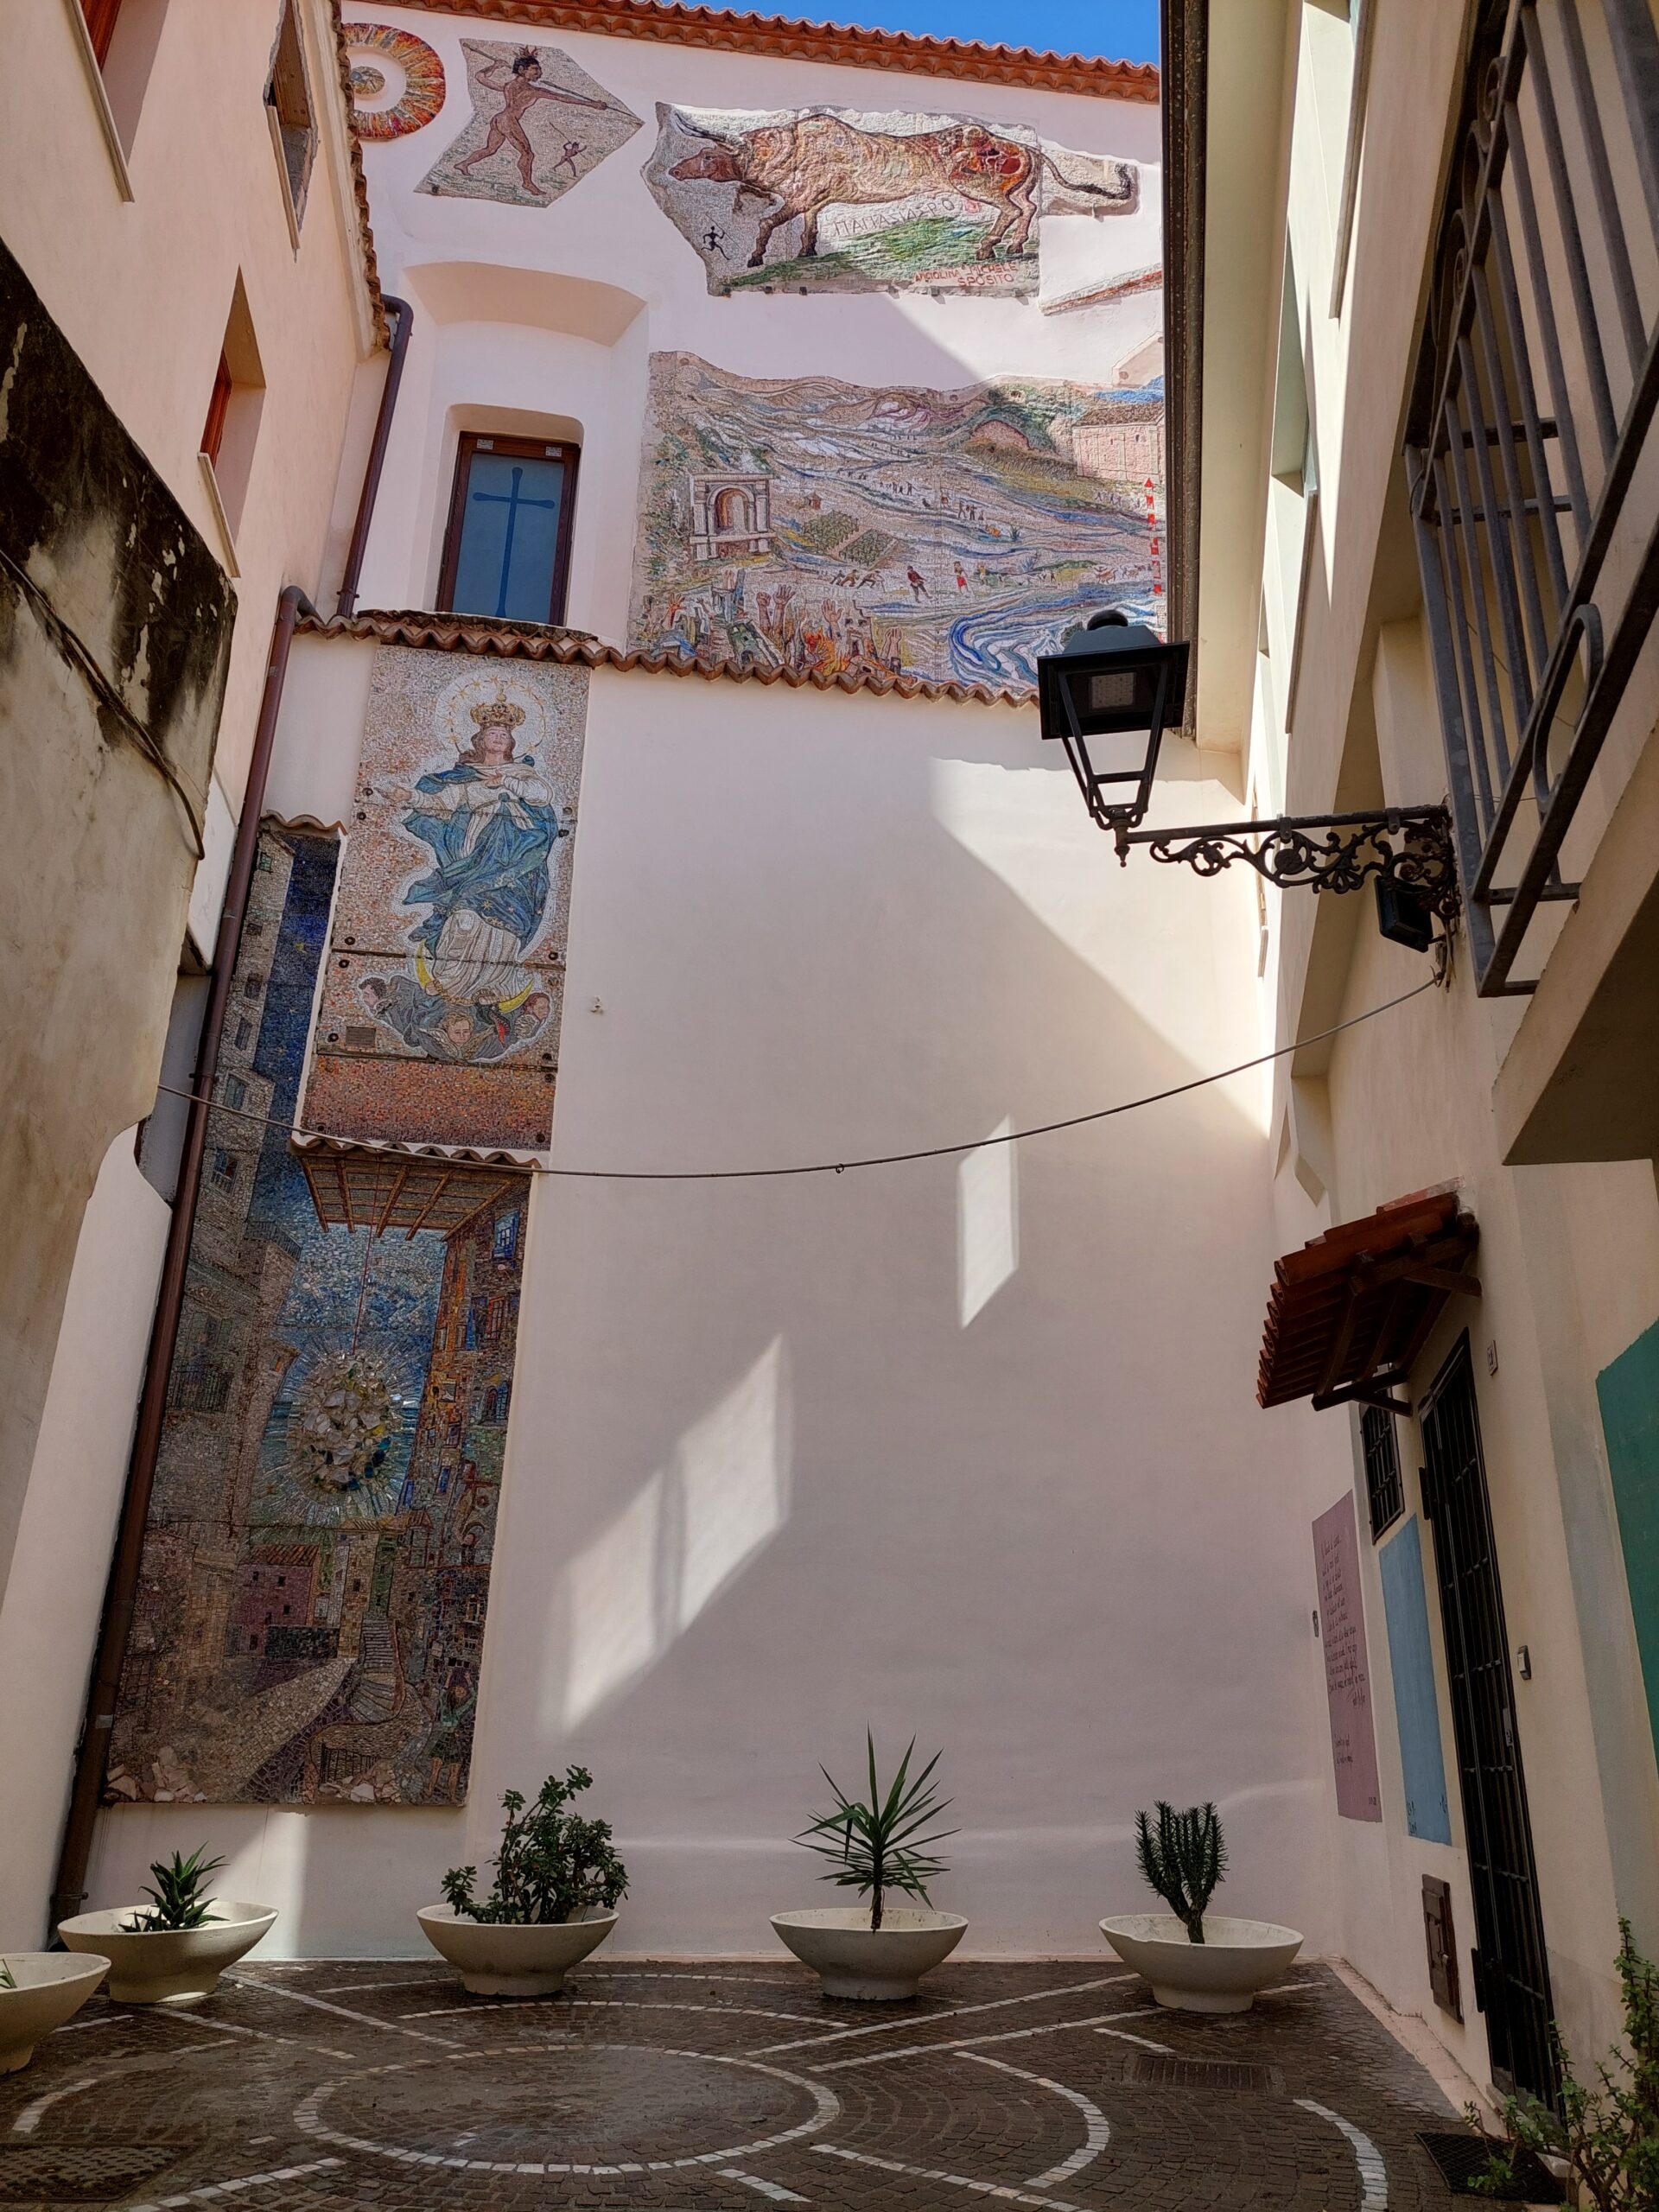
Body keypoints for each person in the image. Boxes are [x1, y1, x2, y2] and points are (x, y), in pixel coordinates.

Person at [455, 48, 607, 196]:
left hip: (498, 119)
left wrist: (494, 66)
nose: (539, 73)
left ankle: (463, 164)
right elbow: (562, 97)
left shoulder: (508, 86)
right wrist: (592, 104)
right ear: (522, 70)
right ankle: (527, 183)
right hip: (508, 121)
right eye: (535, 69)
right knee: (527, 154)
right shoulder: (533, 91)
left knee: (490, 149)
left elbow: (480, 76)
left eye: (539, 70)